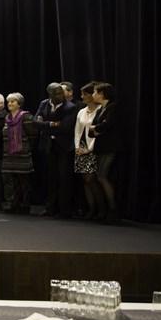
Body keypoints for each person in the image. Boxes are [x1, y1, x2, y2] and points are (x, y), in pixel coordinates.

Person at [33, 82, 77, 218]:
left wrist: (45, 124)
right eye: (57, 93)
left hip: (63, 146)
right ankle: (50, 208)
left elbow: (65, 127)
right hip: (48, 145)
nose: (60, 95)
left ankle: (64, 210)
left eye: (61, 92)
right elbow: (35, 123)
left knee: (64, 178)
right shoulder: (44, 104)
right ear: (50, 95)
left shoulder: (70, 107)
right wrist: (52, 124)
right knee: (50, 177)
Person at [1, 92, 37, 214]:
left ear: (19, 104)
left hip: (22, 154)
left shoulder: (26, 117)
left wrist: (25, 147)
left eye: (13, 101)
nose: (10, 104)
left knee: (24, 181)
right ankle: (14, 203)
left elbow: (33, 134)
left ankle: (25, 205)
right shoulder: (7, 118)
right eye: (9, 102)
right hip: (9, 154)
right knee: (13, 181)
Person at [89, 82, 119, 223]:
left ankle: (113, 210)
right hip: (101, 146)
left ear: (102, 94)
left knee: (102, 176)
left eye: (95, 92)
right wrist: (96, 129)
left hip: (110, 147)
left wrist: (96, 128)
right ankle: (104, 210)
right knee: (99, 176)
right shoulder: (101, 108)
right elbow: (93, 129)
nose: (93, 95)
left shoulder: (113, 107)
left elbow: (107, 125)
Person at [73, 82, 101, 220]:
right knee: (85, 180)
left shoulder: (100, 110)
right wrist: (77, 147)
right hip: (82, 147)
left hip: (93, 148)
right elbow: (77, 131)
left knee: (92, 179)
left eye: (85, 94)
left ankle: (101, 208)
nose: (82, 97)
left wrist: (89, 150)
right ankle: (91, 209)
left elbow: (98, 132)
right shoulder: (82, 111)